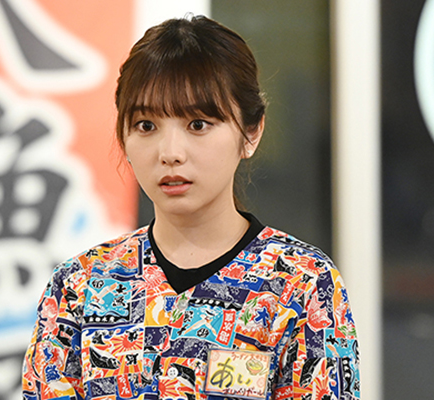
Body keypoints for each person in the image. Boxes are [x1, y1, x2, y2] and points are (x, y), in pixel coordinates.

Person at [22, 15, 359, 400]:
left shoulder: (301, 285)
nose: (170, 153)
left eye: (198, 124)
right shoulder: (79, 287)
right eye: (146, 125)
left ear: (251, 132)